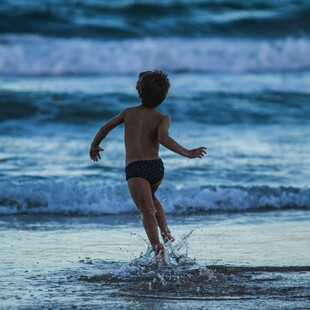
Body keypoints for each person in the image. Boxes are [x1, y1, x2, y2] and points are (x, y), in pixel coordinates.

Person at [90, 70, 206, 262]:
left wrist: (94, 146)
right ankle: (166, 232)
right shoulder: (163, 118)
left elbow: (105, 128)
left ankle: (157, 246)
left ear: (139, 92)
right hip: (156, 168)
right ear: (163, 96)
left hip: (136, 170)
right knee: (151, 200)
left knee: (146, 211)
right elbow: (163, 138)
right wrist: (188, 153)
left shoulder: (128, 113)